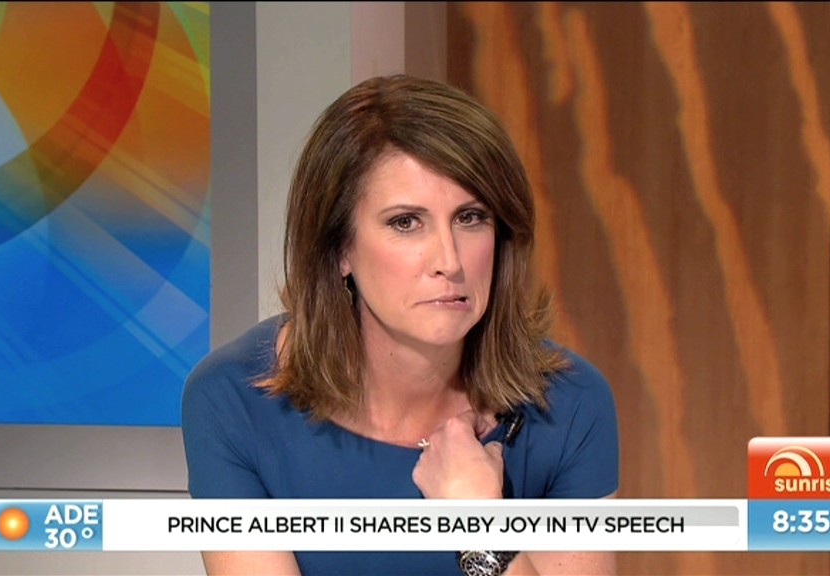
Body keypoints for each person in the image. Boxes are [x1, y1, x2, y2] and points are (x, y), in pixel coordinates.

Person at [181, 74, 619, 576]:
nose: (449, 261)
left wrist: (481, 530)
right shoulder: (234, 401)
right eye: (406, 222)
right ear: (340, 248)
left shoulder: (569, 407)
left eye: (471, 217)